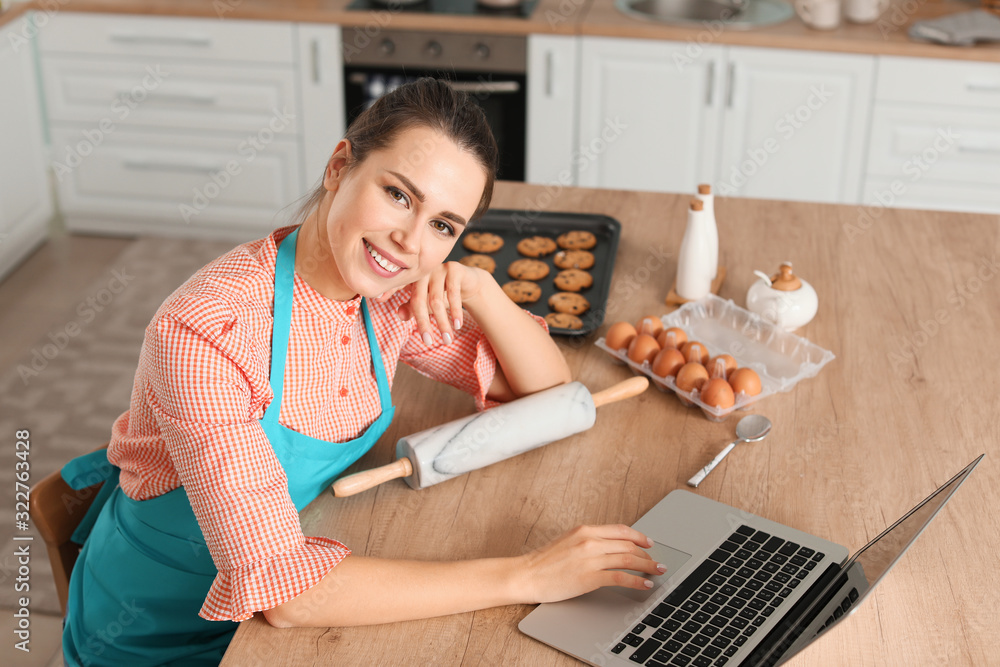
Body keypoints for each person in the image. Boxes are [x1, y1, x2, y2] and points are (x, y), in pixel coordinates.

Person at [60, 78, 663, 666]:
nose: (407, 241)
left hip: (282, 600)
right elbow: (287, 595)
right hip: (154, 633)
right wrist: (529, 574)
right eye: (399, 194)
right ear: (339, 166)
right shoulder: (206, 331)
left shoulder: (387, 298)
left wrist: (481, 291)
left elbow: (547, 392)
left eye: (443, 226)